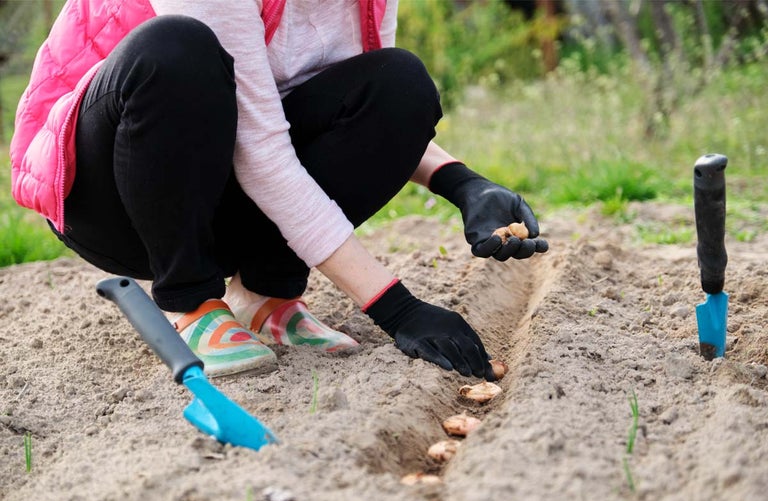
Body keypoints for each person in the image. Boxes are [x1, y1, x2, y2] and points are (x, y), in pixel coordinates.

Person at [10, 0, 548, 381]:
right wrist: (396, 307)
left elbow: (354, 106)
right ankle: (190, 302)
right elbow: (261, 148)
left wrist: (464, 184)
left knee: (399, 81)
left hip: (222, 175)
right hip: (112, 194)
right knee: (176, 46)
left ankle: (263, 294)